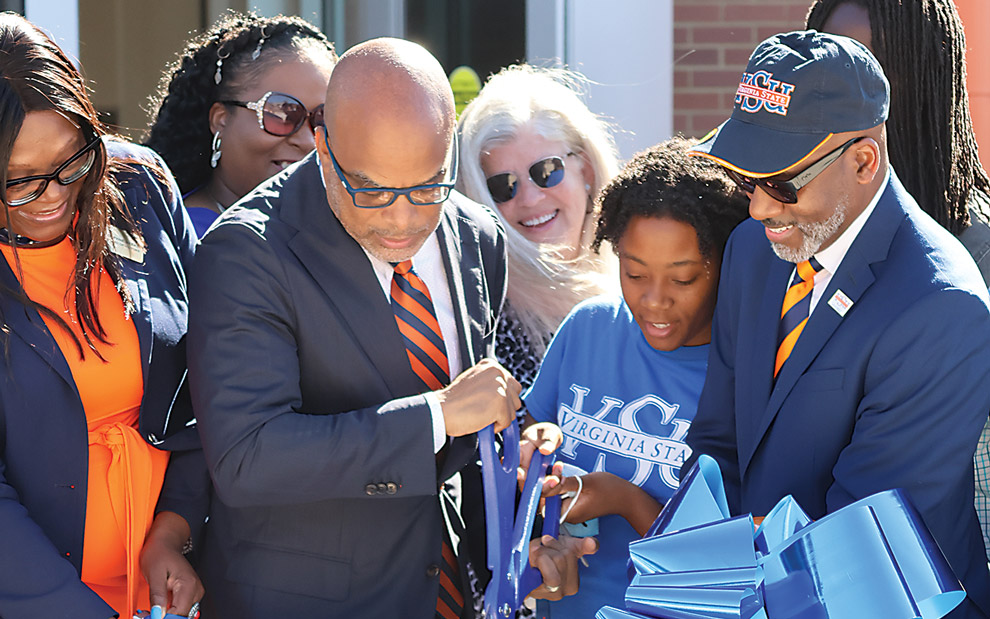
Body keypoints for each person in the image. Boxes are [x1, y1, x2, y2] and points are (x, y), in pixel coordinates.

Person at [187, 37, 594, 618]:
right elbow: (248, 457)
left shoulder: (476, 235)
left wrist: (520, 518)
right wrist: (438, 414)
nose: (402, 221)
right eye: (372, 191)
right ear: (322, 150)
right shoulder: (247, 251)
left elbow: (459, 456)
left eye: (428, 186)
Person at [685, 30, 990, 619]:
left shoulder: (941, 307)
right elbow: (716, 447)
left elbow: (858, 555)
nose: (757, 207)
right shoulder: (753, 251)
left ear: (863, 160)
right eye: (745, 178)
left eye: (779, 183)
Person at [0, 13, 207, 619]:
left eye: (73, 159)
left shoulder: (138, 186)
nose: (57, 194)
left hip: (167, 591)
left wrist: (176, 529)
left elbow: (200, 378)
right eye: (19, 181)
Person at [520, 136, 748, 615]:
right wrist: (543, 524)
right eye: (634, 272)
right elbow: (526, 457)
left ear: (726, 265)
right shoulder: (588, 328)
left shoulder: (740, 379)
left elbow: (720, 570)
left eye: (683, 278)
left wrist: (621, 498)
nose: (654, 300)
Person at [805, 0, 990, 565]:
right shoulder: (779, 237)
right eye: (825, 69)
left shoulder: (976, 262)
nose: (839, 93)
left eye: (868, 67)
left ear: (928, 82)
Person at [457, 65, 619, 391]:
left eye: (546, 171)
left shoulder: (642, 281)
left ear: (585, 170)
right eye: (504, 186)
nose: (530, 199)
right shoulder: (481, 321)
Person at [145, 12, 337, 236]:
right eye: (281, 112)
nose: (307, 141)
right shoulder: (191, 242)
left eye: (324, 117)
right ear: (221, 120)